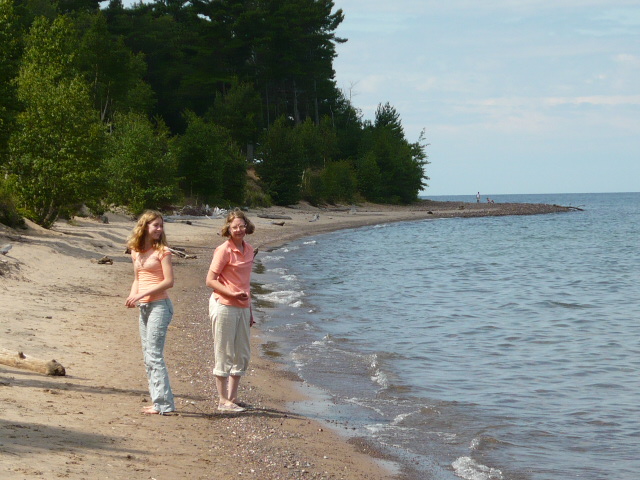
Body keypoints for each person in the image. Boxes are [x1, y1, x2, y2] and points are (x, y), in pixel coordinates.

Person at [125, 210, 175, 415]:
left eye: (161, 226)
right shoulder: (135, 251)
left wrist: (142, 294)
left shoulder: (163, 252)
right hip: (144, 306)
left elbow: (168, 281)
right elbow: (138, 278)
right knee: (148, 356)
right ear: (145, 226)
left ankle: (164, 404)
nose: (159, 229)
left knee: (154, 355)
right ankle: (157, 401)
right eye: (155, 225)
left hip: (160, 306)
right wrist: (133, 296)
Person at [206, 209, 256, 413]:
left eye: (242, 226)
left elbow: (245, 283)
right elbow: (210, 280)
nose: (239, 230)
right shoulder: (223, 250)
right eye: (235, 227)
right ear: (228, 229)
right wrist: (232, 294)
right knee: (224, 352)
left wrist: (250, 309)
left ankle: (233, 397)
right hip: (224, 305)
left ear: (247, 227)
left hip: (243, 307)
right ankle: (222, 400)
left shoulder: (249, 249)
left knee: (242, 353)